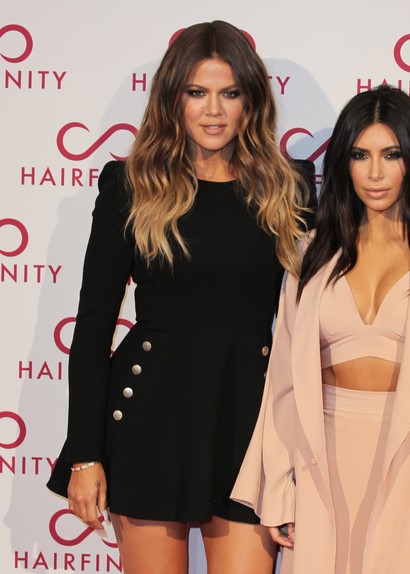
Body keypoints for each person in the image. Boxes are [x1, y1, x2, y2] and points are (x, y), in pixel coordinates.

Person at [47, 20, 315, 574]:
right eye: (197, 92)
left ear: (252, 101)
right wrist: (84, 452)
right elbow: (94, 328)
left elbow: (312, 321)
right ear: (173, 98)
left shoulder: (289, 187)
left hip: (250, 421)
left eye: (229, 93)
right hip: (149, 417)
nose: (213, 110)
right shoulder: (130, 186)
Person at [232, 84, 410, 574]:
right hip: (326, 459)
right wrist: (279, 483)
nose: (376, 173)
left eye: (392, 154)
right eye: (361, 155)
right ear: (343, 161)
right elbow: (284, 381)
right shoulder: (312, 251)